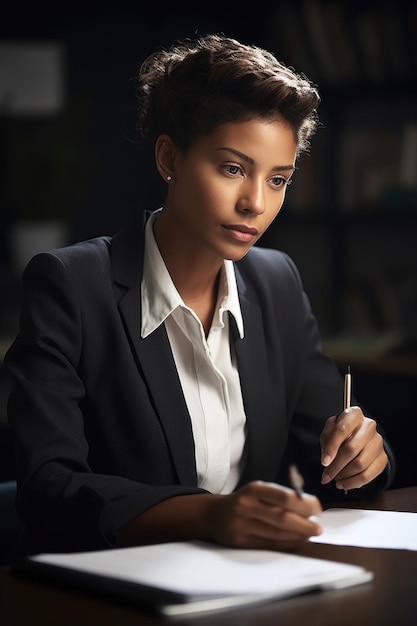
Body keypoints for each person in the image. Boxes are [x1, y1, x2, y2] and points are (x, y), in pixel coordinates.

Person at [5, 33, 394, 555]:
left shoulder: (277, 282)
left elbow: (326, 454)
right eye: (233, 169)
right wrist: (214, 514)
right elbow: (49, 488)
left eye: (278, 179)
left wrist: (365, 457)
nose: (255, 202)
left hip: (256, 584)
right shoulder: (71, 285)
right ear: (170, 157)